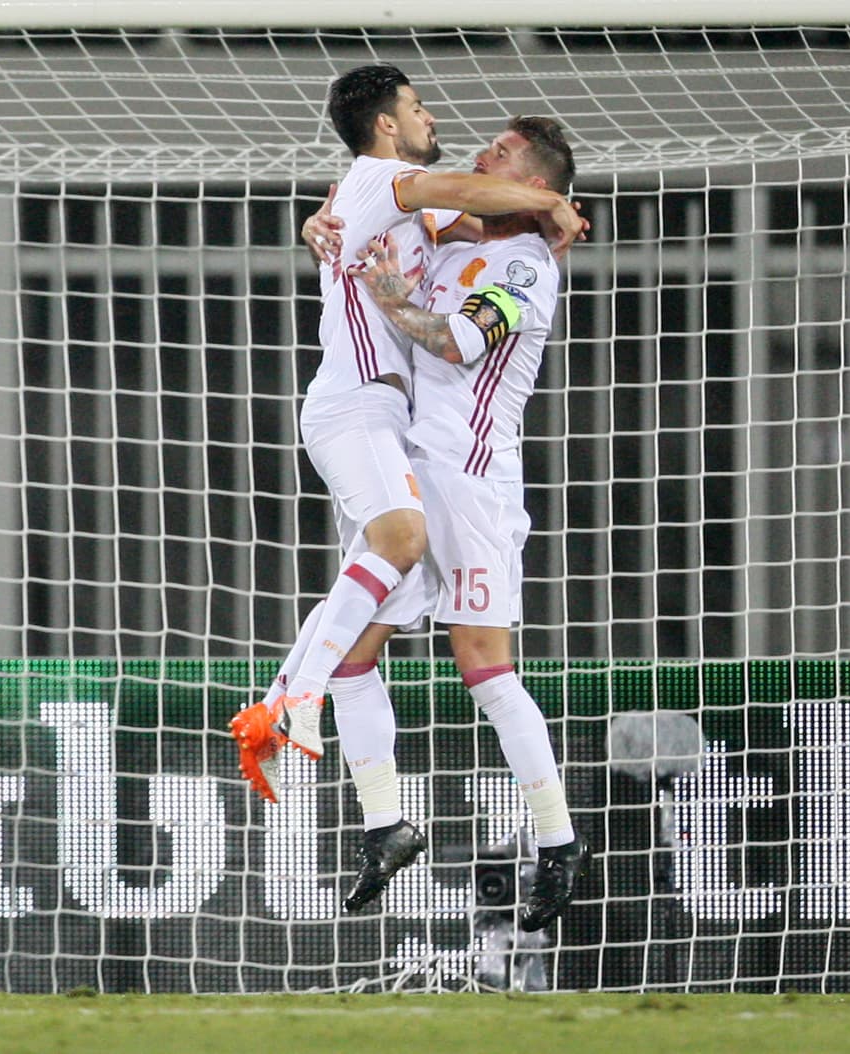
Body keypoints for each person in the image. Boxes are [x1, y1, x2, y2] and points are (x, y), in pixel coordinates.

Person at [230, 66, 585, 802]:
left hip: (410, 433)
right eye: (419, 107)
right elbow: (461, 193)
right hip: (359, 404)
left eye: (500, 151)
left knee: (371, 628)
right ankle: (294, 698)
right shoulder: (382, 179)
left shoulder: (434, 229)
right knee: (401, 546)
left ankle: (367, 805)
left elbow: (472, 221)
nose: (436, 121)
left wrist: (554, 215)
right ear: (388, 124)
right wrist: (554, 201)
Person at [303, 116, 590, 933]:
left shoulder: (528, 266)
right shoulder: (454, 233)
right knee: (354, 657)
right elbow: (377, 207)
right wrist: (320, 223)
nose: (478, 161)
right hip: (415, 479)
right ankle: (387, 824)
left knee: (484, 669)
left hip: (471, 485)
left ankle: (559, 840)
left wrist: (391, 293)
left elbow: (460, 342)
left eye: (497, 157)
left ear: (533, 186)